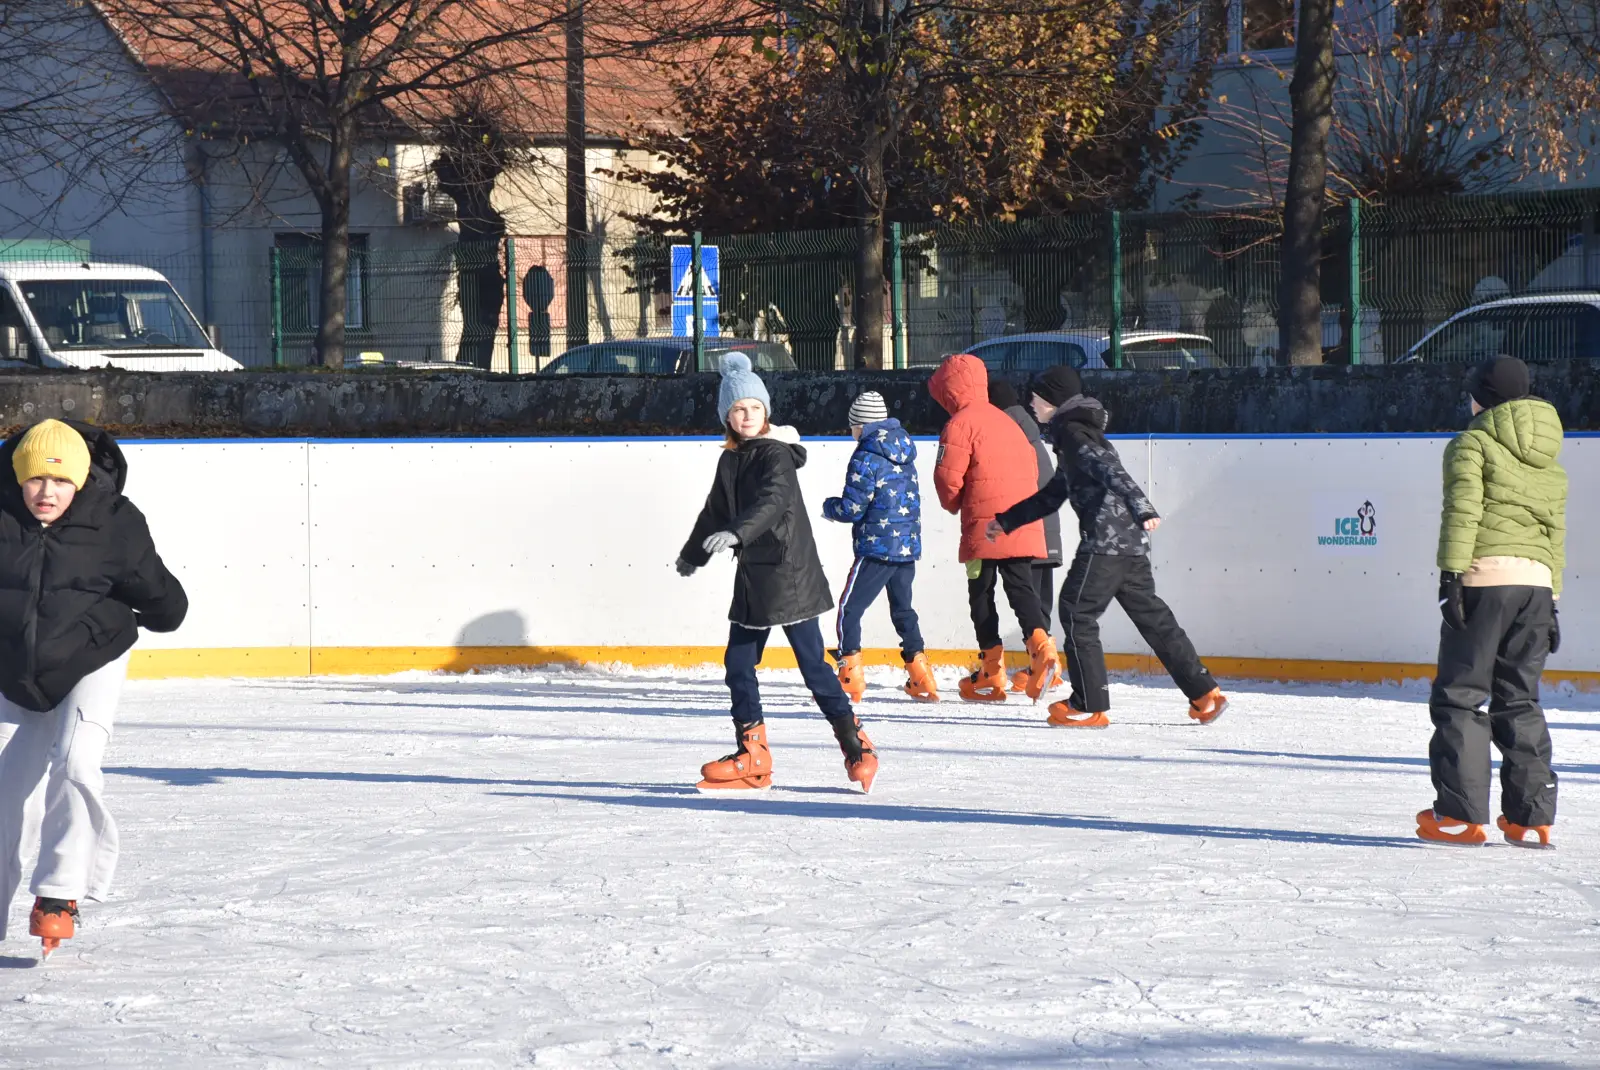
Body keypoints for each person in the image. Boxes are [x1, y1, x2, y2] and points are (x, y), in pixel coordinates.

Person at [0, 419, 187, 959]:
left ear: (80, 481)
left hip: (91, 657)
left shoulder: (114, 523)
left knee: (77, 762)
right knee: (7, 789)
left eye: (60, 482)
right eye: (35, 480)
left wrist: (162, 608)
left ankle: (59, 894)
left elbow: (163, 603)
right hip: (14, 666)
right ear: (18, 478)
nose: (47, 492)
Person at [677, 354, 879, 793]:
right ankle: (754, 756)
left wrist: (736, 533)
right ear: (726, 416)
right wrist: (694, 553)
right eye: (737, 409)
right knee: (738, 663)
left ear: (766, 412)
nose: (746, 416)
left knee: (812, 666)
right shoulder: (731, 459)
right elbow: (714, 509)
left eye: (754, 408)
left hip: (788, 576)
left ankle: (856, 745)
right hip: (755, 576)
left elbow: (771, 502)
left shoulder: (776, 454)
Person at [988, 366, 1227, 729]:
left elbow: (1109, 470)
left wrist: (1142, 504)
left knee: (1075, 612)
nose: (1032, 404)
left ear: (1053, 400)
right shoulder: (1078, 431)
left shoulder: (1072, 432)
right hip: (1129, 543)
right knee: (1154, 619)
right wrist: (1006, 520)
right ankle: (1205, 693)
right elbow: (1053, 495)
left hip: (1105, 542)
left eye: (1036, 397)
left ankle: (1088, 704)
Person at [1418, 355, 1565, 848]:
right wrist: (1554, 598)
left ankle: (1460, 815)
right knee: (1519, 698)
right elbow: (1554, 533)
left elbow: (1463, 512)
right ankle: (1531, 819)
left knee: (1461, 694)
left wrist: (1451, 578)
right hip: (1537, 586)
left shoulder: (1471, 444)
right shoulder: (1550, 461)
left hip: (1486, 579)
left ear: (1483, 399)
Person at [928, 353, 1058, 703]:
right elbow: (1031, 467)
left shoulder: (959, 424)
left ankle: (991, 670)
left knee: (980, 591)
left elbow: (947, 478)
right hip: (1018, 522)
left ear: (950, 391)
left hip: (982, 527)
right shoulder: (1009, 422)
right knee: (1021, 589)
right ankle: (1042, 649)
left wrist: (954, 503)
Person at [821, 391, 938, 703]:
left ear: (861, 425)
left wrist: (829, 507)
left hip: (876, 548)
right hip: (906, 547)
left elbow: (852, 509)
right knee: (903, 610)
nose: (851, 433)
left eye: (853, 427)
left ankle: (849, 675)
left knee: (850, 608)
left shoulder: (865, 455)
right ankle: (921, 674)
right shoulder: (905, 451)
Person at [988, 378, 1064, 695]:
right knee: (1038, 603)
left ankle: (1045, 666)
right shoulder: (1028, 431)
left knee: (1029, 603)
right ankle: (1046, 667)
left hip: (1030, 532)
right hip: (1046, 531)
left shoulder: (1008, 433)